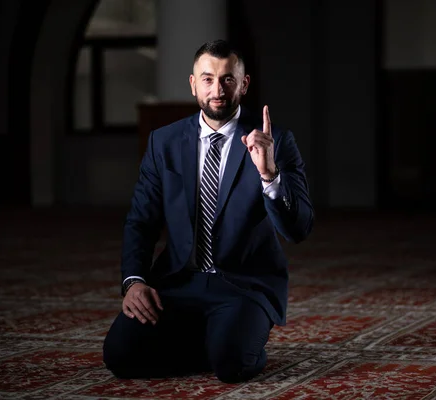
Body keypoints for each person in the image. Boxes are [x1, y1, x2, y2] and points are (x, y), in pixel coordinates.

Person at [102, 39, 313, 383]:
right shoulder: (163, 142)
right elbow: (141, 221)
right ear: (193, 83)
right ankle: (210, 339)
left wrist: (269, 175)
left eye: (228, 79)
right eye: (207, 78)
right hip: (178, 282)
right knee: (119, 356)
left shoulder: (276, 143)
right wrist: (135, 281)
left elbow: (299, 229)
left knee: (232, 366)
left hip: (242, 284)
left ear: (244, 84)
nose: (218, 89)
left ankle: (226, 341)